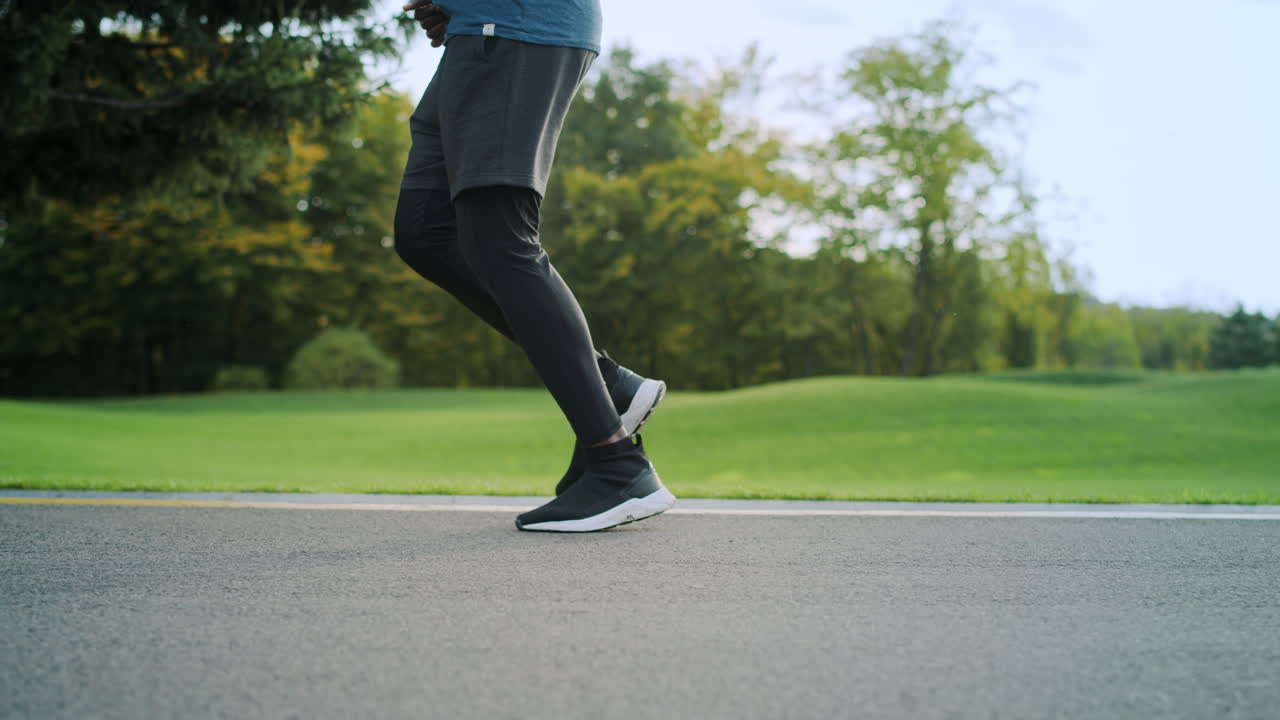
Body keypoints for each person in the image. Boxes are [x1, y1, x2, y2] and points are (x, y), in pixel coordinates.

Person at [395, 0, 675, 532]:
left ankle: (617, 465)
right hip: (478, 30)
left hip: (517, 26)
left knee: (501, 238)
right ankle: (608, 385)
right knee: (425, 233)